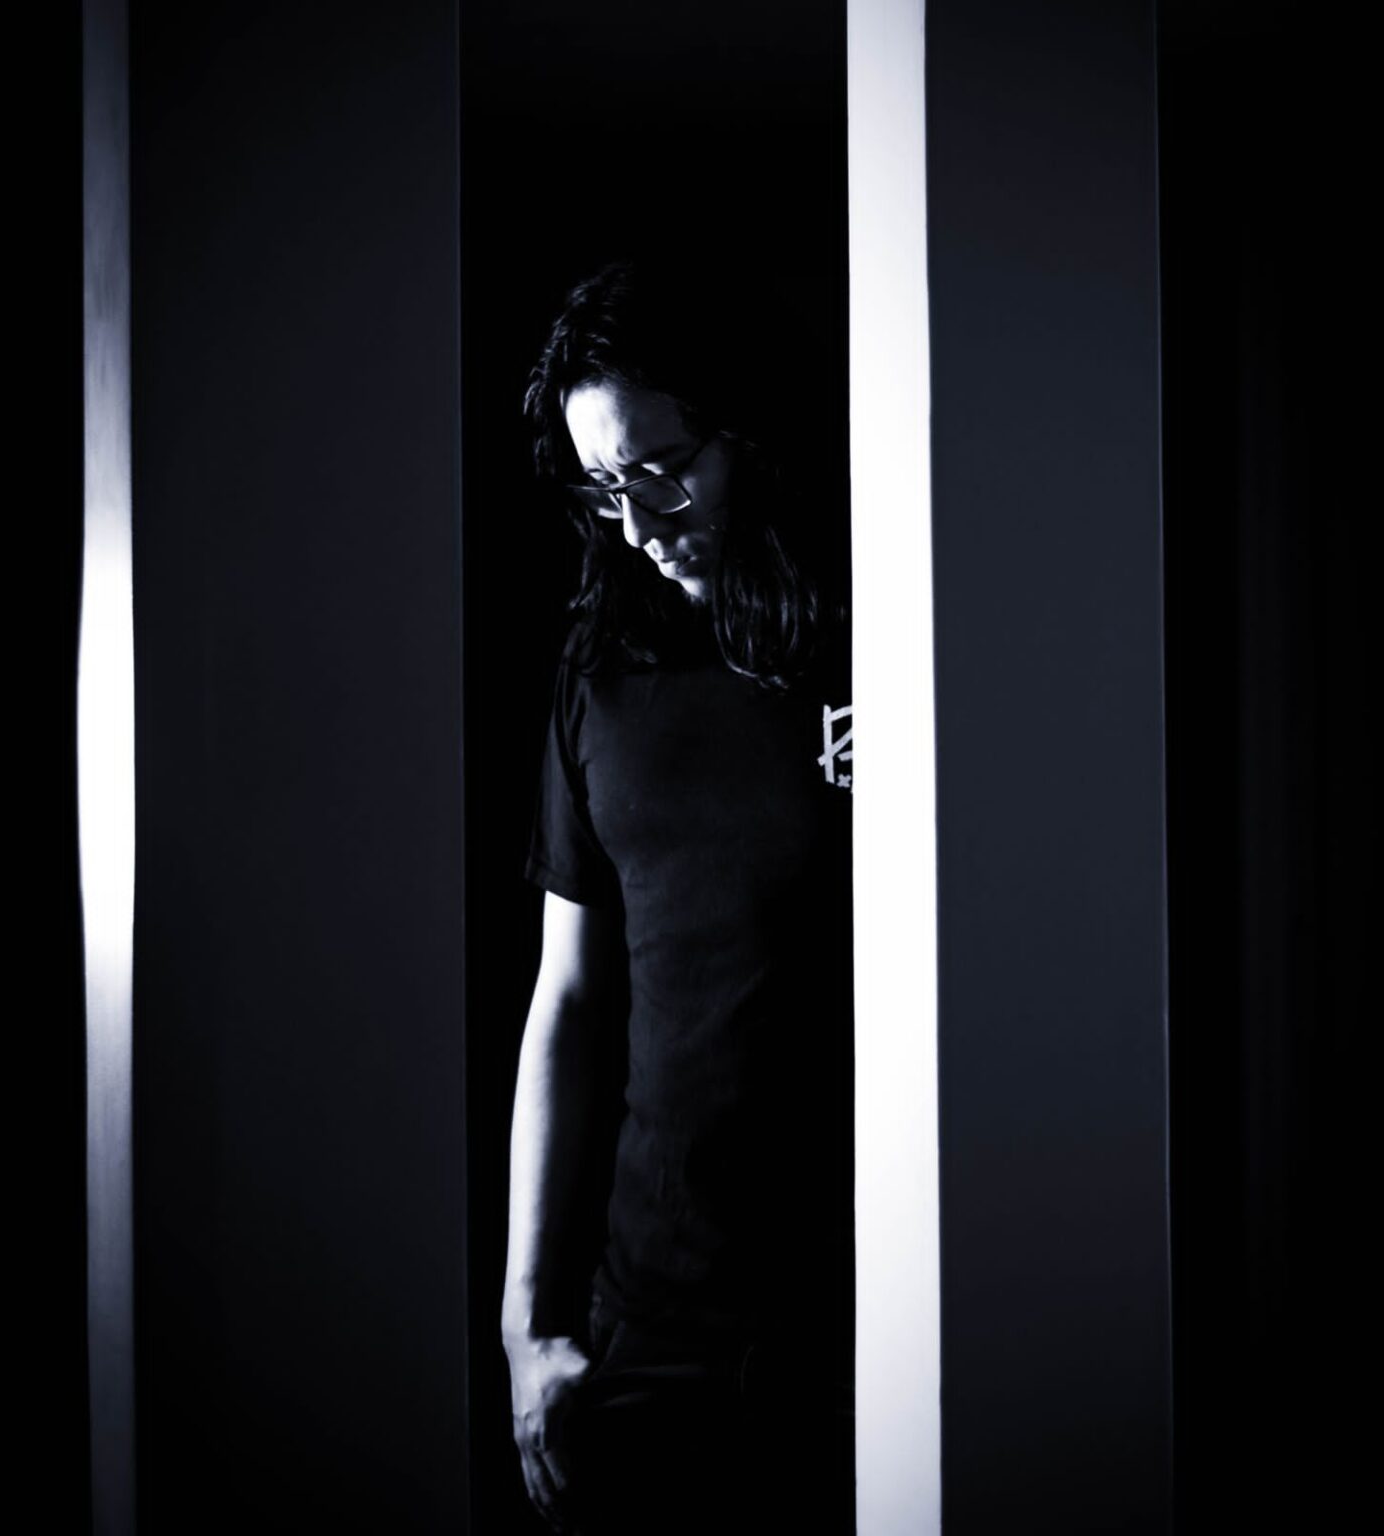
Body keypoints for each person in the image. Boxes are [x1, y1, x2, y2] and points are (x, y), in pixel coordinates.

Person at [501, 259, 855, 1536]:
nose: (638, 522)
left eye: (662, 468)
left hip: (860, 1322)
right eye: (605, 489)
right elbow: (568, 1002)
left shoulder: (878, 639)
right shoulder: (602, 673)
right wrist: (527, 1327)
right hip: (645, 1333)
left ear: (743, 432)